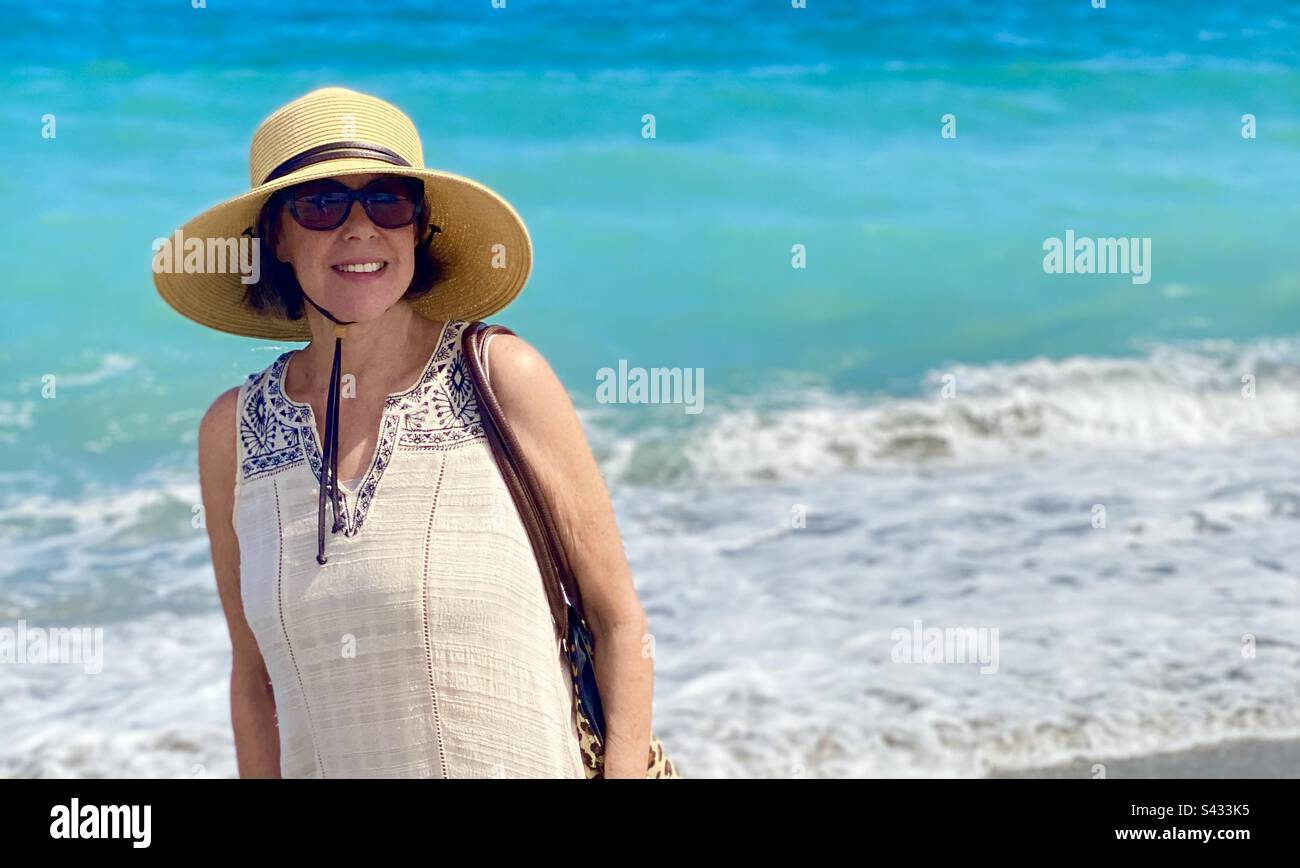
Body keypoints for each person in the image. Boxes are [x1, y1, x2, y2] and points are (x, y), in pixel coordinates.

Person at [156, 87, 659, 778]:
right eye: (323, 203)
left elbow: (619, 623)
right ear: (276, 233)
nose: (359, 228)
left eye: (387, 200)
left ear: (418, 227)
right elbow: (255, 682)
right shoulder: (233, 433)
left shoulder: (503, 377)